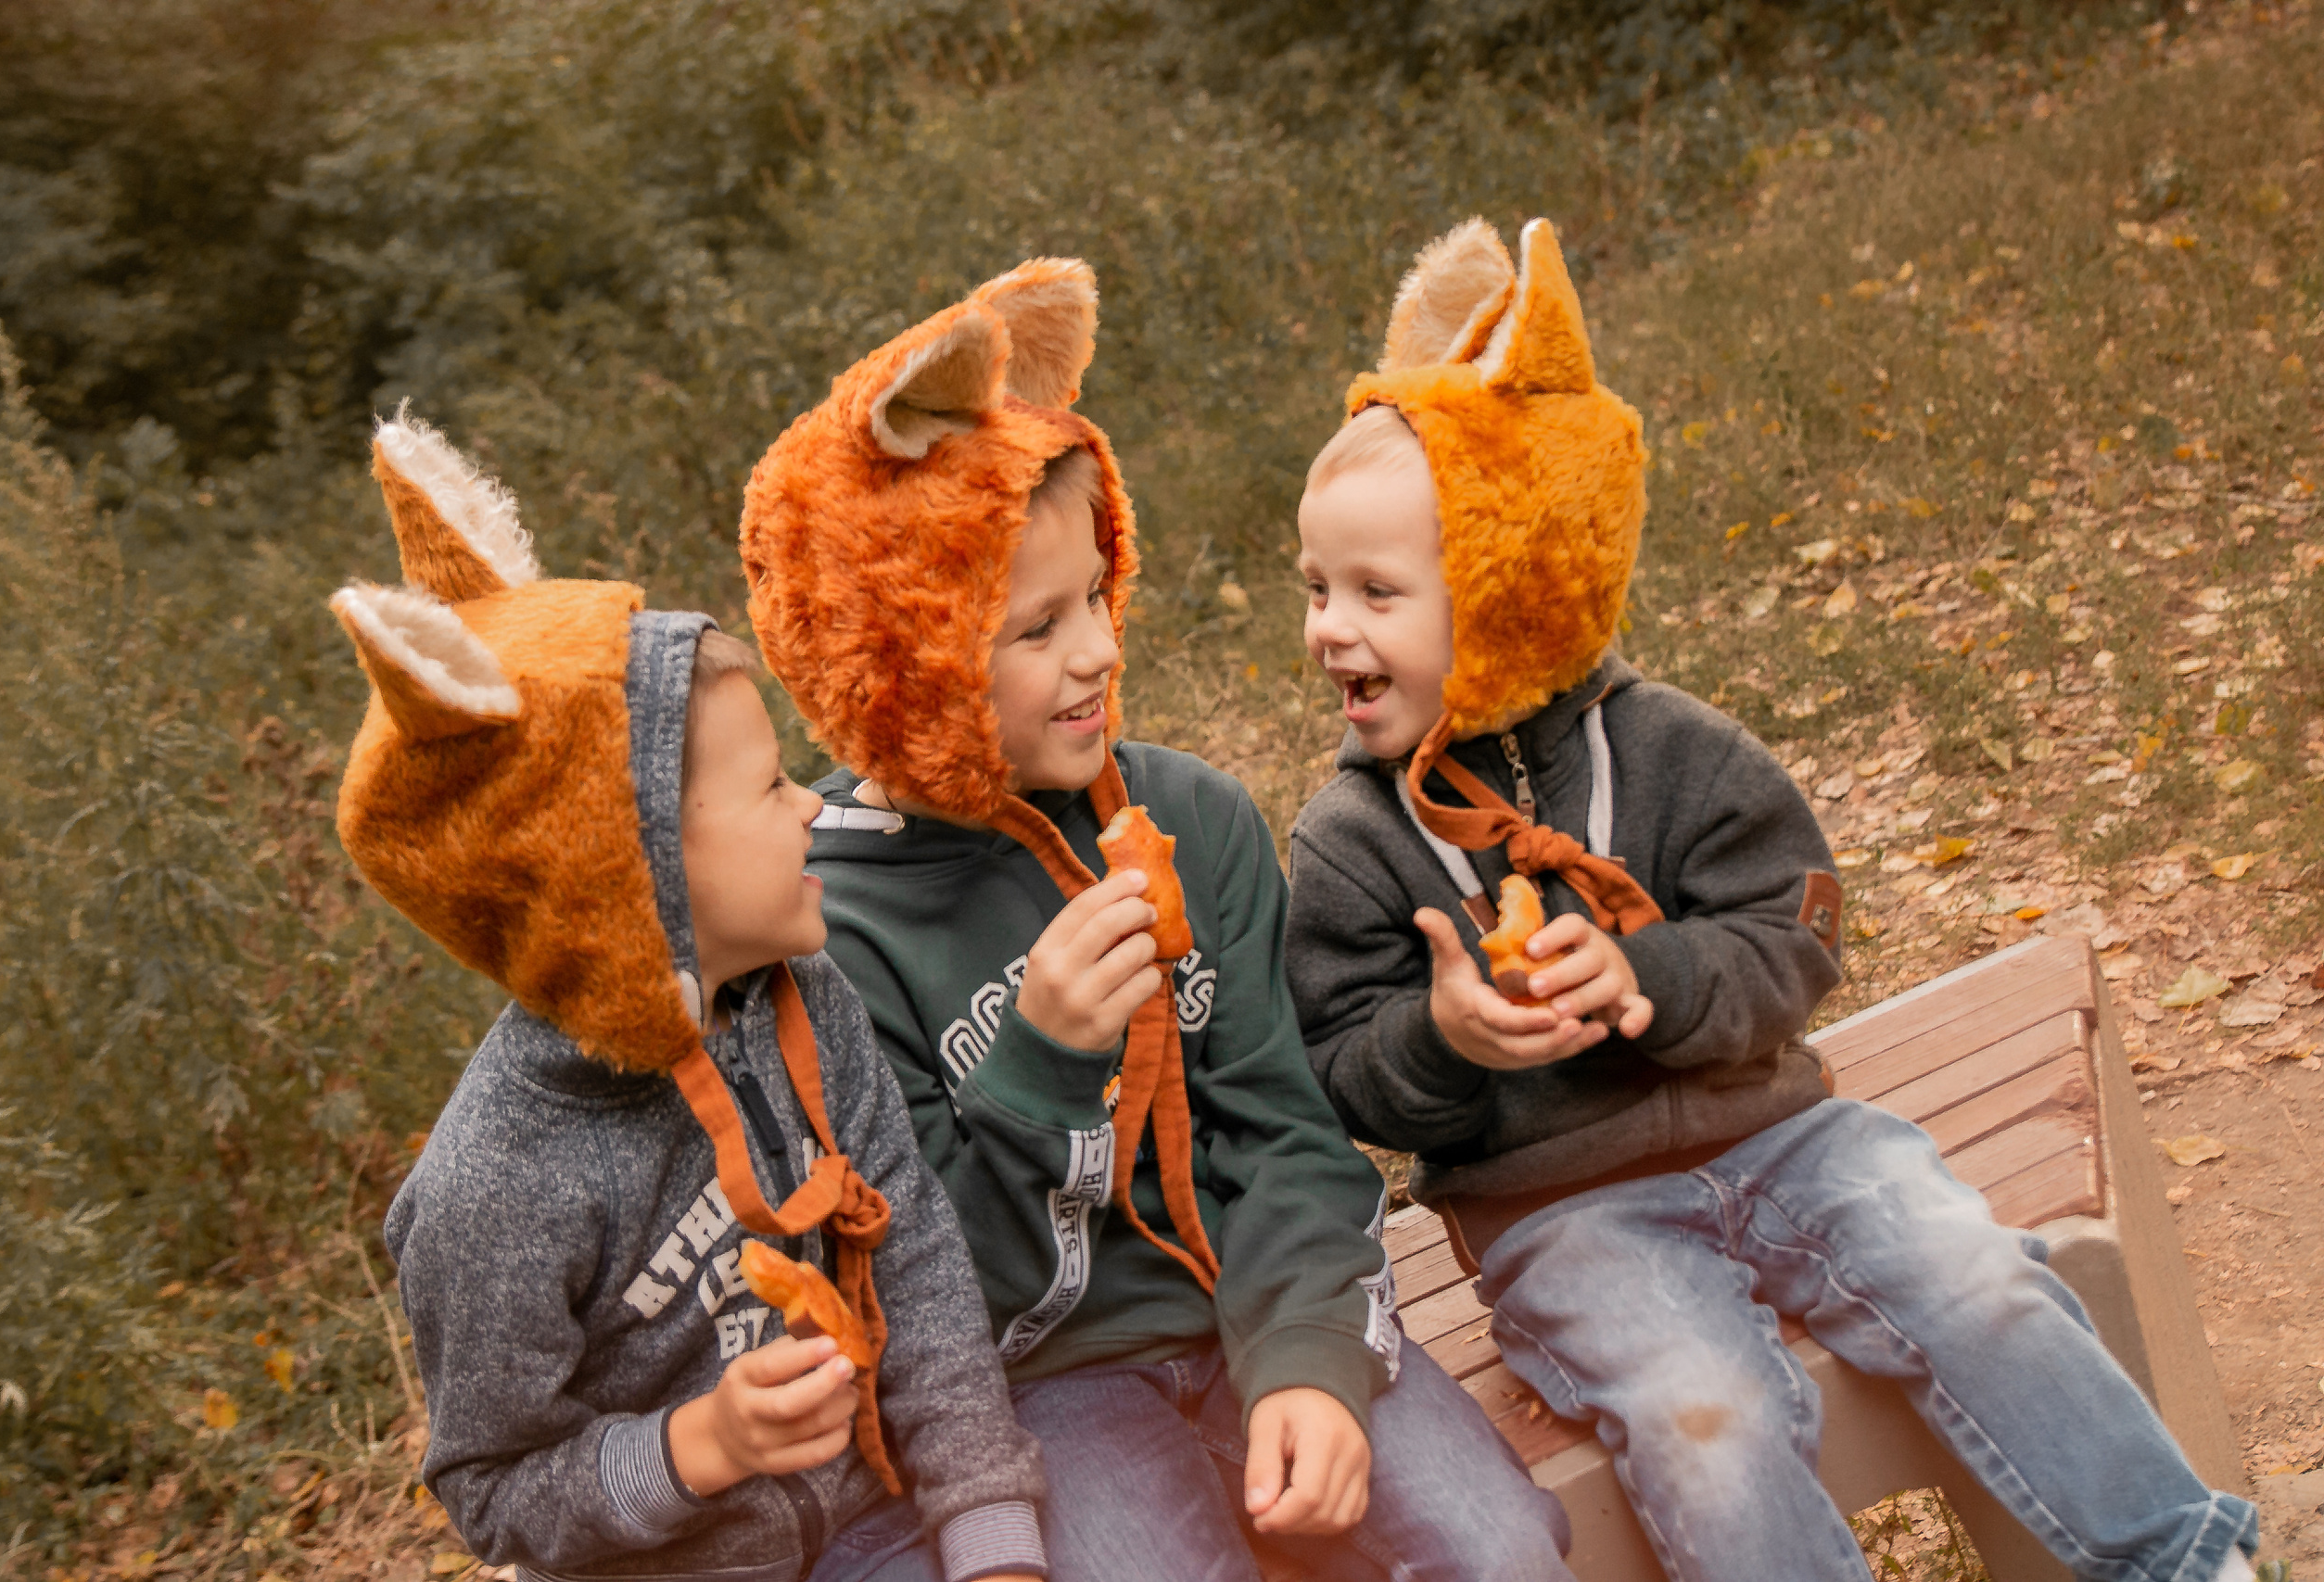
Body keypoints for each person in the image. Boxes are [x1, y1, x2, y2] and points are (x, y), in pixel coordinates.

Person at [1284, 215, 2263, 1582]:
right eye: (1316, 587)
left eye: (1375, 591)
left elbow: (1796, 933)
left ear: (1508, 587)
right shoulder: (1348, 844)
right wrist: (1446, 1039)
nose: (1329, 626)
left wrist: (1654, 978)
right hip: (1565, 1218)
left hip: (1791, 1136)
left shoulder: (1676, 751)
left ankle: (2184, 1560)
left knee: (1983, 1282)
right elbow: (1337, 1065)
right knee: (1713, 1422)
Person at [739, 257, 1572, 1582]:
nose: (1098, 650)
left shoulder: (1195, 818)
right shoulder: (829, 929)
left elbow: (1285, 1133)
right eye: (1035, 629)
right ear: (903, 660)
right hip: (1048, 1389)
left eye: (1094, 595)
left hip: (1267, 1304)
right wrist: (1037, 1063)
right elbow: (925, 1303)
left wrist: (1307, 1360)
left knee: (1503, 1548)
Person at [339, 413, 1047, 1582]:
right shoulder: (493, 1187)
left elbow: (912, 1253)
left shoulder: (803, 1002)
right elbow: (494, 1492)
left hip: (866, 1523)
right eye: (768, 789)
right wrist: (699, 1447)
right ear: (633, 882)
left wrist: (989, 1534)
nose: (811, 805)